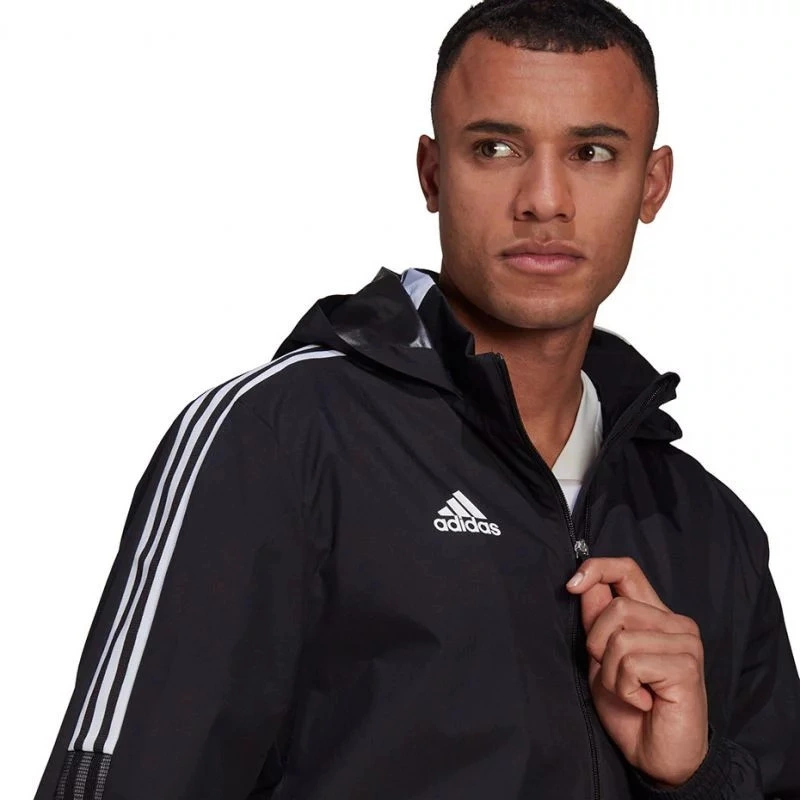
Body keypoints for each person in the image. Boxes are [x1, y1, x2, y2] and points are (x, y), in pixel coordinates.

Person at [34, 0, 800, 797]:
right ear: (433, 174)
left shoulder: (707, 527)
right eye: (496, 148)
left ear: (653, 183)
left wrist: (697, 775)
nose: (545, 199)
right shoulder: (279, 440)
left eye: (592, 152)